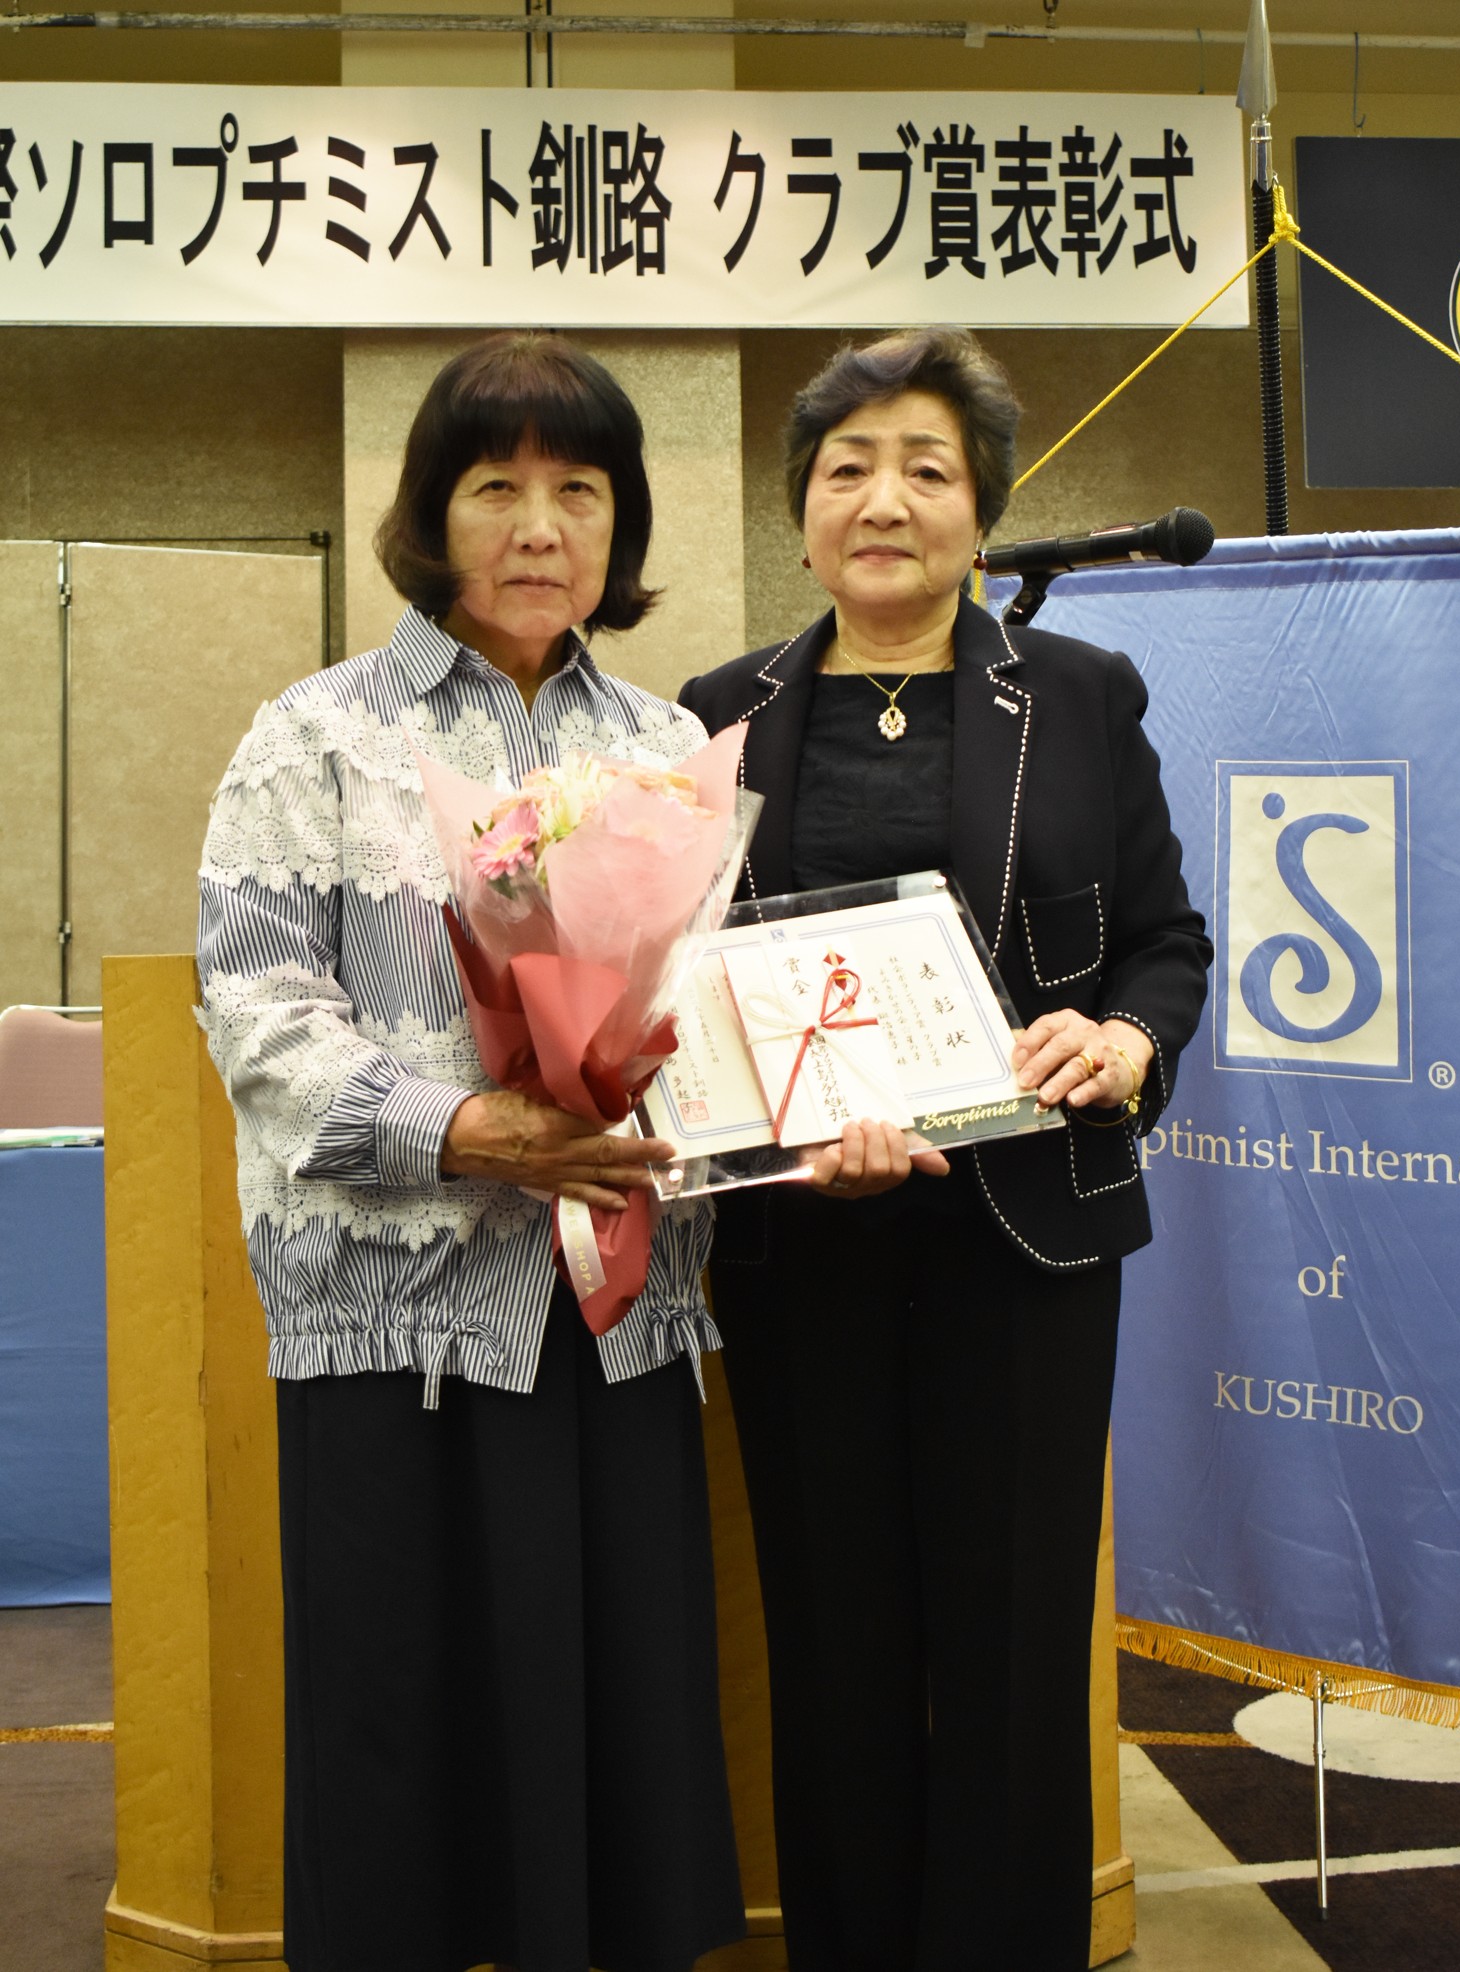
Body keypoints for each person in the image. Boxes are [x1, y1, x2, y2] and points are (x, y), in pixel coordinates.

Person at [198, 332, 744, 1972]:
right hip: (398, 1328)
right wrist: (465, 1129)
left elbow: (710, 1009)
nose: (539, 527)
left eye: (579, 490)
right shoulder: (313, 737)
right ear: (432, 514)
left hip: (610, 1318)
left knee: (616, 1726)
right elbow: (258, 1011)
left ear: (620, 524)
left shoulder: (664, 747)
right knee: (394, 1736)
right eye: (495, 486)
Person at [678, 326, 1211, 1972]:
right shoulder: (720, 714)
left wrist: (1126, 1044)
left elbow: (1166, 942)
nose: (885, 501)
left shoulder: (1079, 692)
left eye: (927, 468)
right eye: (847, 469)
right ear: (801, 513)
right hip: (802, 1251)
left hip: (1026, 1241)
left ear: (982, 511)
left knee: (1013, 1647)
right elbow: (675, 980)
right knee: (832, 1643)